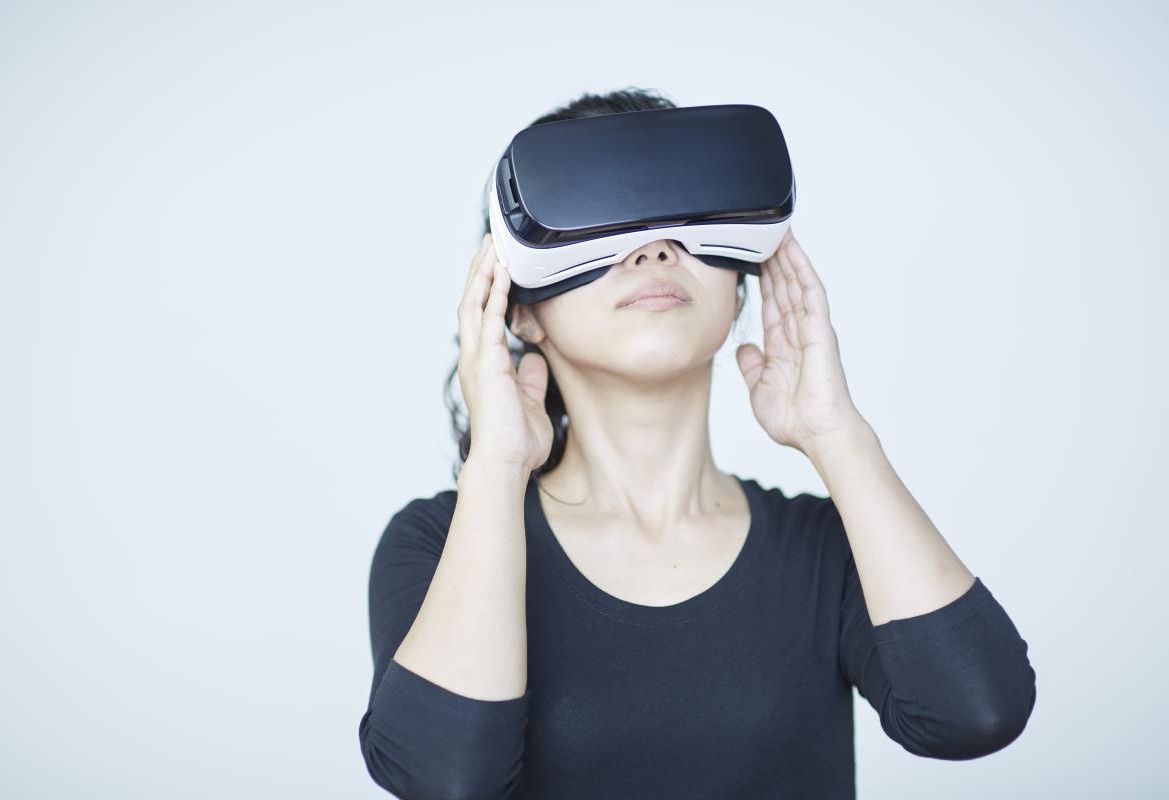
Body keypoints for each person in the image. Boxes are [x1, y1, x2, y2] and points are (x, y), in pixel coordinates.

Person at [357, 88, 1037, 800]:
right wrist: (497, 468)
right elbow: (447, 778)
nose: (656, 248)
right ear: (518, 308)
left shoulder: (828, 550)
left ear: (739, 289)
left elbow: (976, 714)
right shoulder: (437, 545)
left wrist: (837, 434)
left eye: (685, 223)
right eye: (602, 218)